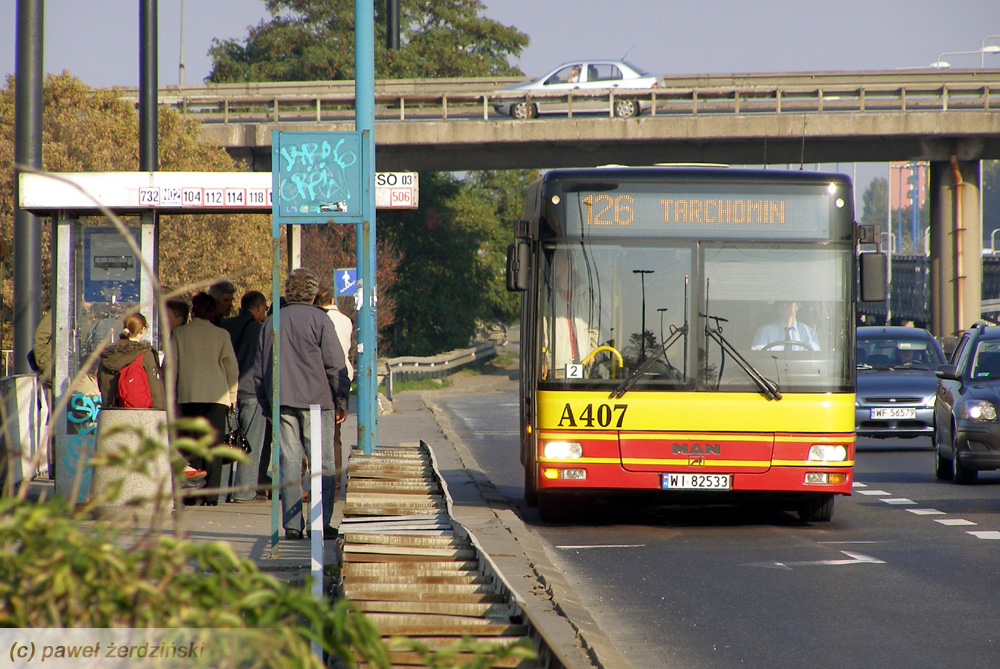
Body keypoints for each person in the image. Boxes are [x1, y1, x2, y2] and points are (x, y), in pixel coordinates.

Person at [254, 268, 349, 541]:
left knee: (290, 462)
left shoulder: (272, 322)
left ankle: (293, 525)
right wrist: (341, 399)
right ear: (311, 292)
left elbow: (260, 371)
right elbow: (334, 364)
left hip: (282, 401)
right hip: (318, 401)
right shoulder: (320, 320)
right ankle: (322, 522)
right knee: (323, 464)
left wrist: (266, 405)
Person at [169, 292, 239, 505]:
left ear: (194, 310)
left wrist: (170, 393)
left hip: (188, 395)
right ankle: (211, 494)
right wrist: (233, 395)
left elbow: (171, 366)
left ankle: (192, 493)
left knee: (191, 444)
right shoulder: (222, 334)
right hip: (217, 397)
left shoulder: (180, 334)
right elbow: (232, 368)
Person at [220, 291, 268, 502]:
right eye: (264, 309)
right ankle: (244, 492)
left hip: (226, 392)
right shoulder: (259, 330)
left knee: (226, 441)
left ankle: (220, 493)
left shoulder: (225, 326)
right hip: (251, 392)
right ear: (258, 307)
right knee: (252, 443)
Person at [313, 286, 356, 462]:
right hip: (340, 378)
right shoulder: (346, 320)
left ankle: (300, 484)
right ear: (332, 300)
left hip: (317, 381)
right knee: (334, 438)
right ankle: (334, 484)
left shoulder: (316, 320)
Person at [540, 250, 594, 379]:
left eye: (557, 263)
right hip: (558, 362)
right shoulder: (548, 294)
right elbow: (543, 331)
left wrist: (591, 352)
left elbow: (592, 327)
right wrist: (544, 361)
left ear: (568, 263)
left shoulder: (583, 292)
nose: (554, 267)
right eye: (552, 264)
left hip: (583, 361)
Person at [96, 312, 166, 410]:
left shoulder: (108, 355)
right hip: (139, 412)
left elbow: (101, 383)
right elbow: (154, 388)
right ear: (143, 330)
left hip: (111, 412)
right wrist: (159, 411)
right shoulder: (144, 354)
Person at [751, 301, 820, 351]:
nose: (784, 305)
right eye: (780, 302)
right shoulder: (764, 331)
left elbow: (815, 360)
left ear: (797, 305)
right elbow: (758, 359)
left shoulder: (808, 333)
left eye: (788, 302)